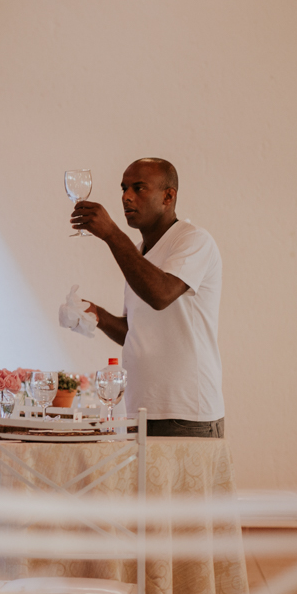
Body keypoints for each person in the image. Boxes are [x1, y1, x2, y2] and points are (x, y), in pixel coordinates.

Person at [71, 158, 224, 438]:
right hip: (139, 411)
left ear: (168, 196)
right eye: (124, 188)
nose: (126, 196)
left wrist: (111, 234)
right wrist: (98, 315)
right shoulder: (139, 252)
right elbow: (136, 332)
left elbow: (160, 295)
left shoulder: (194, 241)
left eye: (139, 188)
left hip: (186, 415)